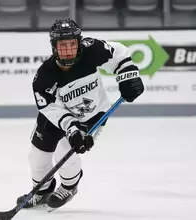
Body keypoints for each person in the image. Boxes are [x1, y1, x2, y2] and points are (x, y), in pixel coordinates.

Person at [16, 18, 144, 210]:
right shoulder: (44, 77)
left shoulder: (92, 50)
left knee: (64, 150)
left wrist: (128, 74)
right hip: (56, 117)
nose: (68, 50)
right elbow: (50, 108)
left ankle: (69, 186)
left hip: (92, 115)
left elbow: (119, 52)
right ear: (54, 47)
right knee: (37, 155)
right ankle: (41, 190)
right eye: (62, 45)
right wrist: (71, 127)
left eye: (72, 44)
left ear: (79, 43)